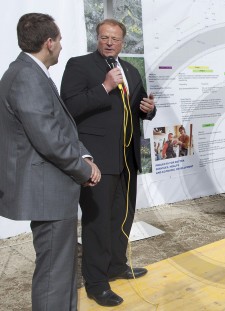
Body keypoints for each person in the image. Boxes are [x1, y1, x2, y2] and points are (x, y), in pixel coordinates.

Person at [0, 13, 100, 311]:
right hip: (48, 191)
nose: (60, 46)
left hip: (49, 189)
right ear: (48, 43)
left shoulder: (27, 73)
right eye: (58, 40)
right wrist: (83, 169)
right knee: (53, 275)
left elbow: (56, 127)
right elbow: (49, 139)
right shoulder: (27, 77)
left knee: (59, 269)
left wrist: (82, 153)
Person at [60, 19, 156, 306]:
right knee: (97, 223)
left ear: (123, 42)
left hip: (127, 159)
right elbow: (69, 107)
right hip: (98, 160)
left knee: (122, 217)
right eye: (104, 37)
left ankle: (116, 266)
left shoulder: (130, 70)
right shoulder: (79, 65)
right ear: (98, 39)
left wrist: (149, 111)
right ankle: (96, 283)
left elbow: (138, 107)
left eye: (115, 38)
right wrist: (104, 86)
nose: (109, 42)